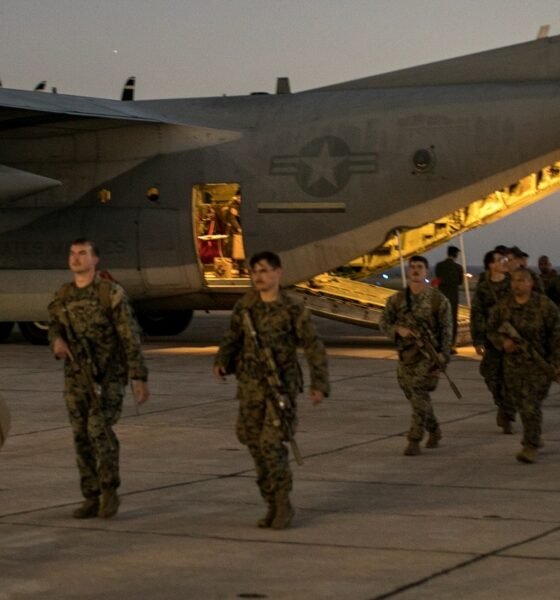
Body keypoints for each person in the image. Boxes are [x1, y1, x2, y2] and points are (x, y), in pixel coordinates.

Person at [213, 251, 329, 529]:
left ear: (278, 273)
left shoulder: (292, 308)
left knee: (271, 444)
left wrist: (319, 384)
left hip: (280, 389)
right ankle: (271, 502)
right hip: (250, 387)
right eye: (255, 272)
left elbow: (313, 346)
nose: (259, 276)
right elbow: (232, 338)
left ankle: (282, 503)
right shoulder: (245, 306)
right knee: (252, 442)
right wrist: (221, 361)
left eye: (264, 271)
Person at [48, 238, 150, 519]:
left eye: (83, 254)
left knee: (98, 431)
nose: (76, 258)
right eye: (72, 254)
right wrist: (56, 341)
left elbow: (130, 335)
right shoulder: (64, 295)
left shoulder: (110, 293)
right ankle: (90, 495)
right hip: (76, 378)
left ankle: (109, 490)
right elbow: (53, 323)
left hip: (108, 378)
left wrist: (138, 377)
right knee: (80, 435)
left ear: (95, 260)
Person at [380, 255, 452, 456]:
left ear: (426, 272)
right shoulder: (396, 300)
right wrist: (397, 330)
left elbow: (446, 331)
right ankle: (435, 429)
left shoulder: (438, 300)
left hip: (427, 357)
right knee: (414, 397)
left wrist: (443, 359)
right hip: (406, 357)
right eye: (412, 267)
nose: (415, 270)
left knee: (419, 395)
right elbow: (383, 323)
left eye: (420, 267)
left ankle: (414, 439)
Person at [487, 268, 560, 463]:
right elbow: (491, 329)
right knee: (522, 404)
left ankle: (530, 445)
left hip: (539, 365)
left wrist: (557, 363)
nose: (516, 284)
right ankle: (534, 436)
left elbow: (556, 336)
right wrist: (503, 343)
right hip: (513, 366)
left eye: (521, 280)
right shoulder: (504, 307)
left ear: (530, 283)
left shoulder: (545, 306)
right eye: (514, 280)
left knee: (530, 404)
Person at [470, 249, 514, 433]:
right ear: (491, 265)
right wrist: (478, 340)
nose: (503, 262)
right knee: (490, 375)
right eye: (499, 260)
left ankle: (507, 412)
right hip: (492, 339)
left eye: (504, 259)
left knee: (512, 379)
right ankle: (503, 406)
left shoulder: (513, 284)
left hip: (513, 339)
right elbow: (477, 314)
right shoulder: (483, 288)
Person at [435, 245, 464, 351]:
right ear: (455, 254)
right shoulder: (458, 268)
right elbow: (460, 282)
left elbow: (438, 279)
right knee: (452, 320)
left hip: (441, 295)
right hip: (453, 296)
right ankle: (451, 345)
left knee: (441, 319)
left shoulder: (439, 266)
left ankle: (440, 343)